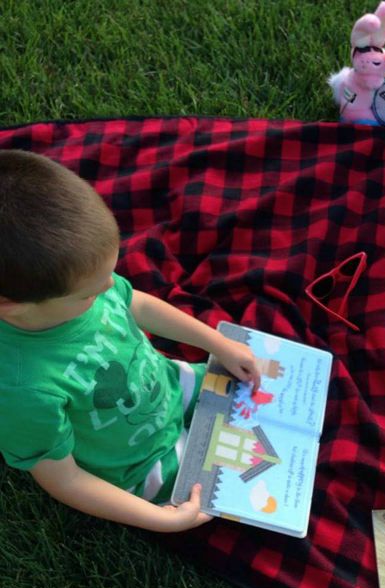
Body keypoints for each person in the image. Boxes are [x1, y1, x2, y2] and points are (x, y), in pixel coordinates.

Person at [0, 150, 261, 532]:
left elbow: (136, 303)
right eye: (88, 294)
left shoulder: (76, 284)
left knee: (259, 403)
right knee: (252, 478)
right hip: (142, 462)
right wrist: (159, 520)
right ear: (14, 307)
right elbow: (63, 478)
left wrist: (218, 344)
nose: (108, 288)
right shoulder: (23, 390)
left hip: (172, 383)